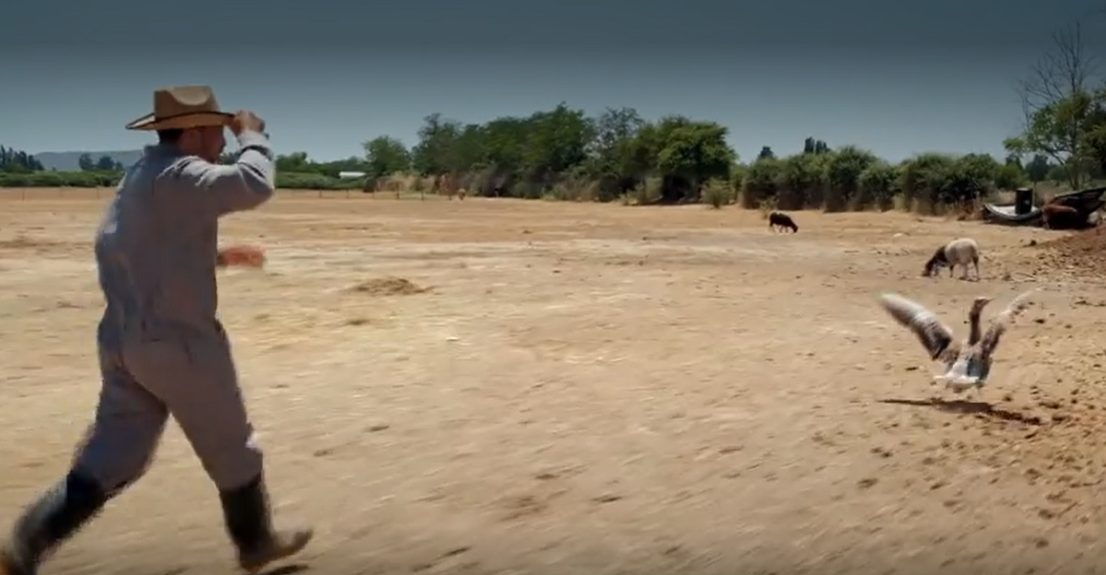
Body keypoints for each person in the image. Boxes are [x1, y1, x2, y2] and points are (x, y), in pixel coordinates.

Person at [0, 85, 313, 575]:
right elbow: (254, 185)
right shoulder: (182, 173)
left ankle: (26, 544)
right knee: (232, 446)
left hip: (125, 342)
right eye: (216, 131)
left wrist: (212, 259)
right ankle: (256, 543)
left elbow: (123, 248)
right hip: (178, 343)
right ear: (191, 133)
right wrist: (253, 136)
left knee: (113, 455)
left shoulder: (141, 177)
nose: (222, 142)